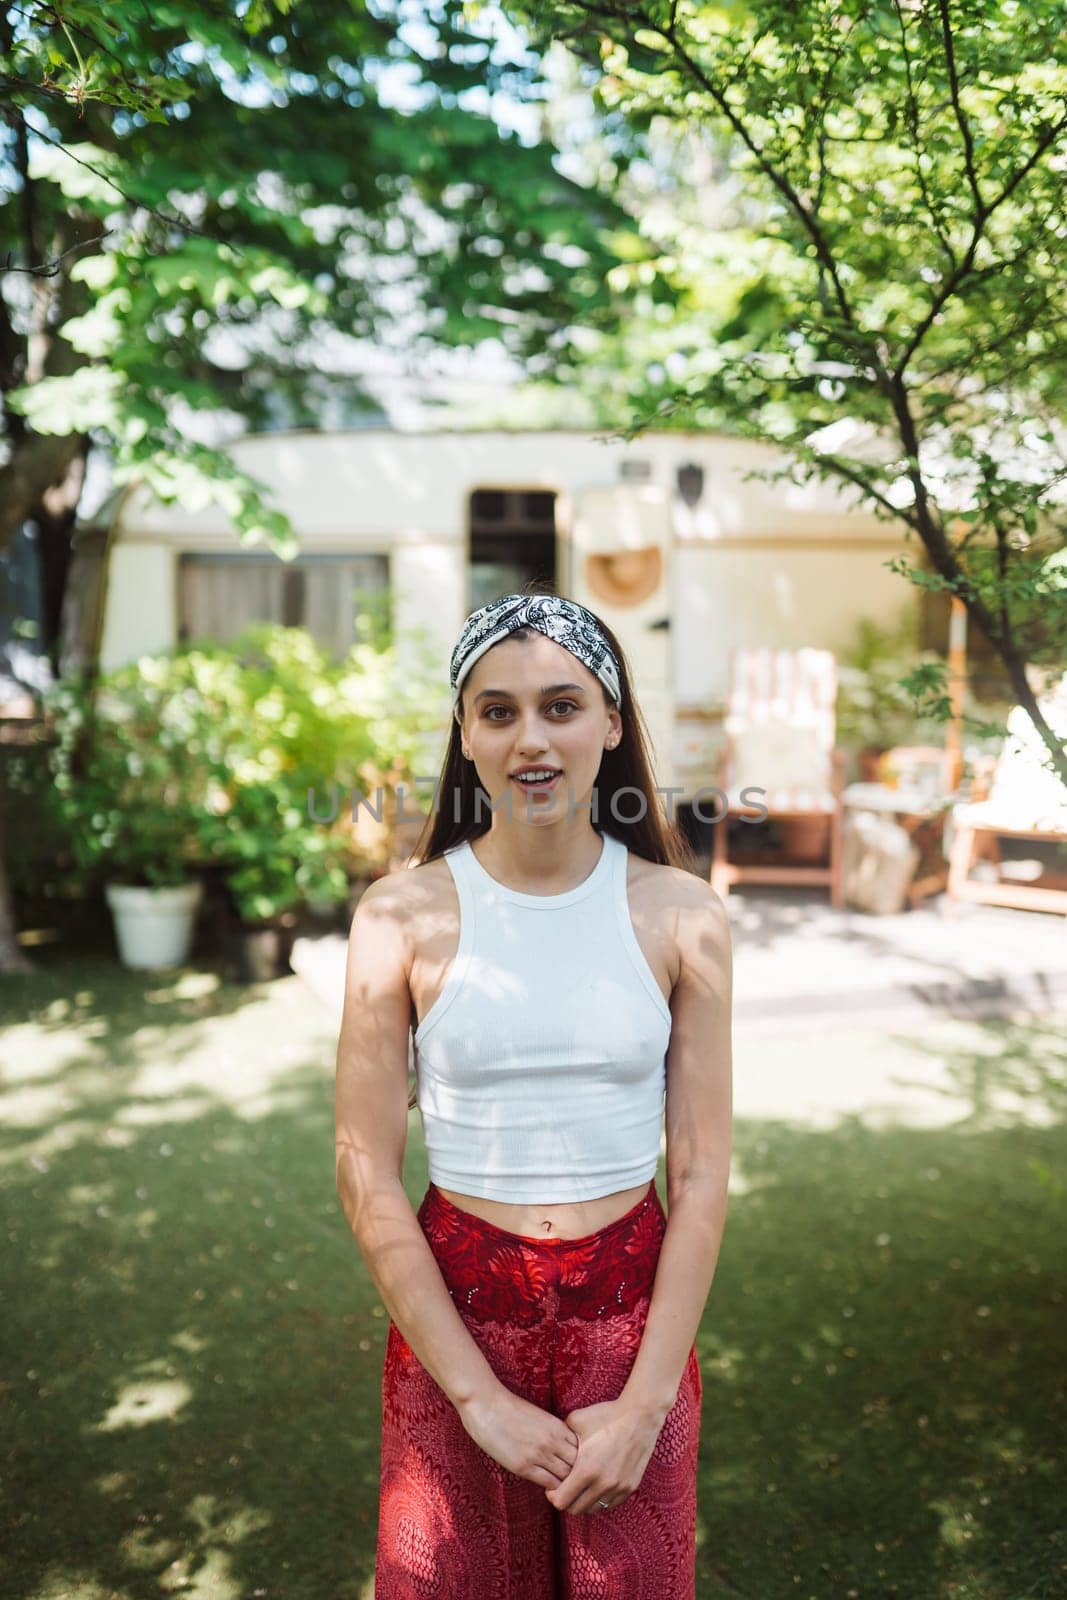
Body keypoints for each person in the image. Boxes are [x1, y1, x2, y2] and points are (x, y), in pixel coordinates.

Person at [335, 589, 734, 1598]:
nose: (531, 738)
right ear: (464, 733)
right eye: (497, 710)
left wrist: (643, 1406)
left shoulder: (683, 916)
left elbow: (697, 1172)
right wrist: (476, 1399)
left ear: (610, 721)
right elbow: (365, 1172)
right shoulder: (398, 917)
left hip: (630, 1318)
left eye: (561, 705)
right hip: (457, 1320)